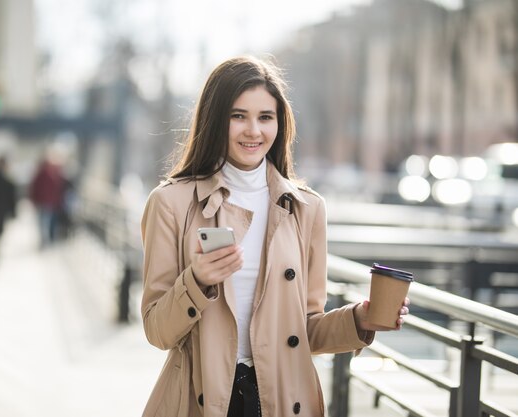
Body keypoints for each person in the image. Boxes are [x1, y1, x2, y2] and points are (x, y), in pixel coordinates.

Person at [139, 56, 410, 417]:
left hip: (283, 400)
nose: (254, 131)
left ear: (280, 124)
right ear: (214, 119)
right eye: (239, 116)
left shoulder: (307, 208)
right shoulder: (170, 203)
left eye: (265, 117)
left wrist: (359, 319)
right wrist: (198, 281)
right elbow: (158, 331)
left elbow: (305, 330)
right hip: (198, 400)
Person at [29, 153, 65, 247]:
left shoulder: (45, 175)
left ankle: (44, 240)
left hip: (46, 203)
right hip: (47, 203)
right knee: (45, 222)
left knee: (44, 222)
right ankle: (45, 241)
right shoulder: (49, 175)